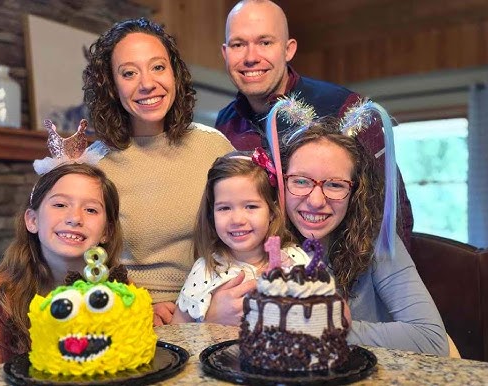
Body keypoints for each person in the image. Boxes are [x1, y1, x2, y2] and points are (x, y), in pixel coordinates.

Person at [215, 0, 414, 250]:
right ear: (225, 53)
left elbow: (393, 212)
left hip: (343, 276)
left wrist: (384, 285)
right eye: (238, 44)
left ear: (288, 50)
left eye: (265, 43)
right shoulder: (224, 124)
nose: (251, 57)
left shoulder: (344, 108)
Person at [82, 18, 234, 326]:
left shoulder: (214, 147)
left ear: (175, 74)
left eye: (158, 67)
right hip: (125, 315)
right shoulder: (94, 165)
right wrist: (137, 306)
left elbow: (249, 235)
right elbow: (80, 256)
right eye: (129, 73)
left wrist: (199, 308)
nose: (147, 83)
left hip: (211, 310)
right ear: (111, 86)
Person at [276, 114, 448, 356]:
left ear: (356, 191)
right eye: (301, 181)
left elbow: (430, 340)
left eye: (335, 185)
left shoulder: (377, 241)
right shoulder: (264, 244)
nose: (315, 201)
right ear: (281, 182)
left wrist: (326, 329)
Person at [0, 162, 126, 367]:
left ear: (106, 231)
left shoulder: (121, 292)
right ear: (32, 220)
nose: (74, 218)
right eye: (60, 205)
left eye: (90, 209)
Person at [171, 150, 310, 324]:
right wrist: (211, 322)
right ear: (211, 215)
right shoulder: (206, 269)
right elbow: (177, 335)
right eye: (224, 208)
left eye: (251, 206)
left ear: (272, 212)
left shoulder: (296, 259)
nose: (237, 220)